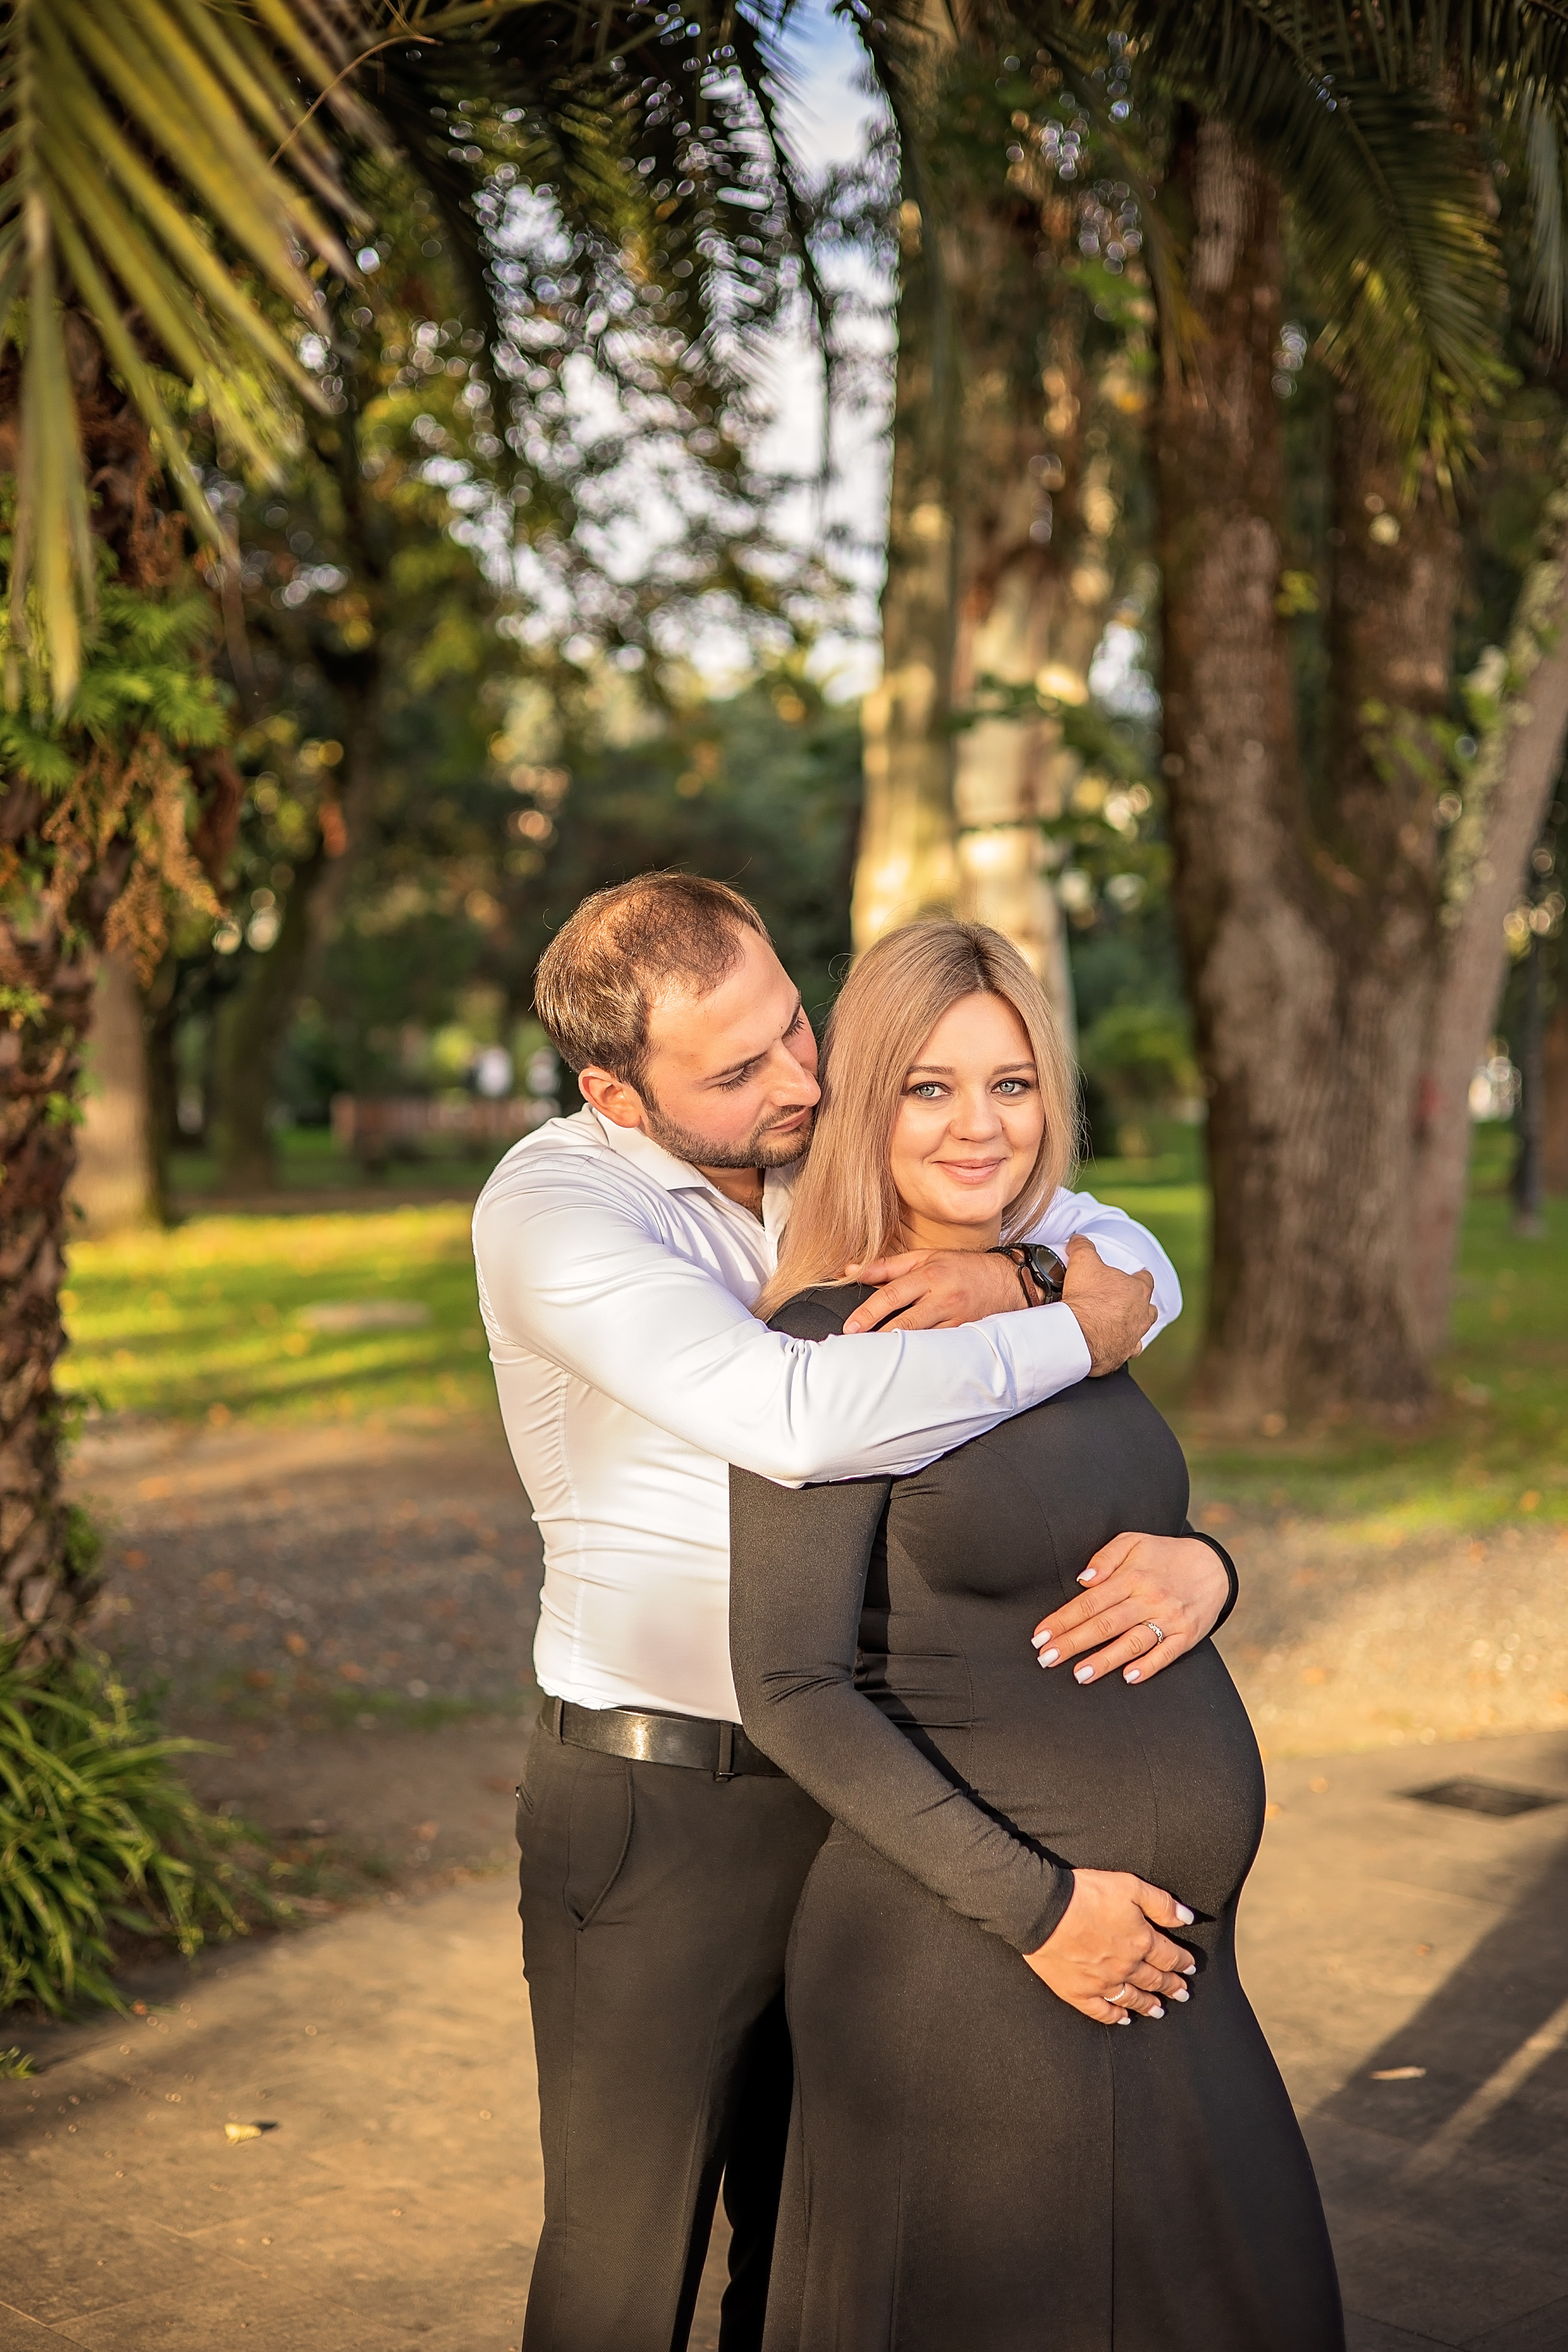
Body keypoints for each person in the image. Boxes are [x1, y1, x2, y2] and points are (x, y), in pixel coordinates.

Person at [472, 874, 1230, 2352]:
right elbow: (795, 1417)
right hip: (664, 1803)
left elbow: (1134, 1257)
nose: (799, 1082)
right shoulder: (554, 1212)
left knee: (818, 2242)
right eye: (736, 1069)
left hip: (865, 1794)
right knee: (626, 2264)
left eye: (795, 1027)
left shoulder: (813, 1141)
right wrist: (1066, 1329)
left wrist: (1016, 1271)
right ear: (614, 1093)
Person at [729, 918, 1343, 2352]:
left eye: (1008, 1085)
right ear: (863, 1102)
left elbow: (1104, 1524)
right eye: (928, 1087)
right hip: (982, 1956)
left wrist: (1210, 1568)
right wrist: (1042, 1912)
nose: (977, 1126)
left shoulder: (1071, 1294)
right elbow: (789, 1685)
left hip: (1165, 1962)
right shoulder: (832, 1343)